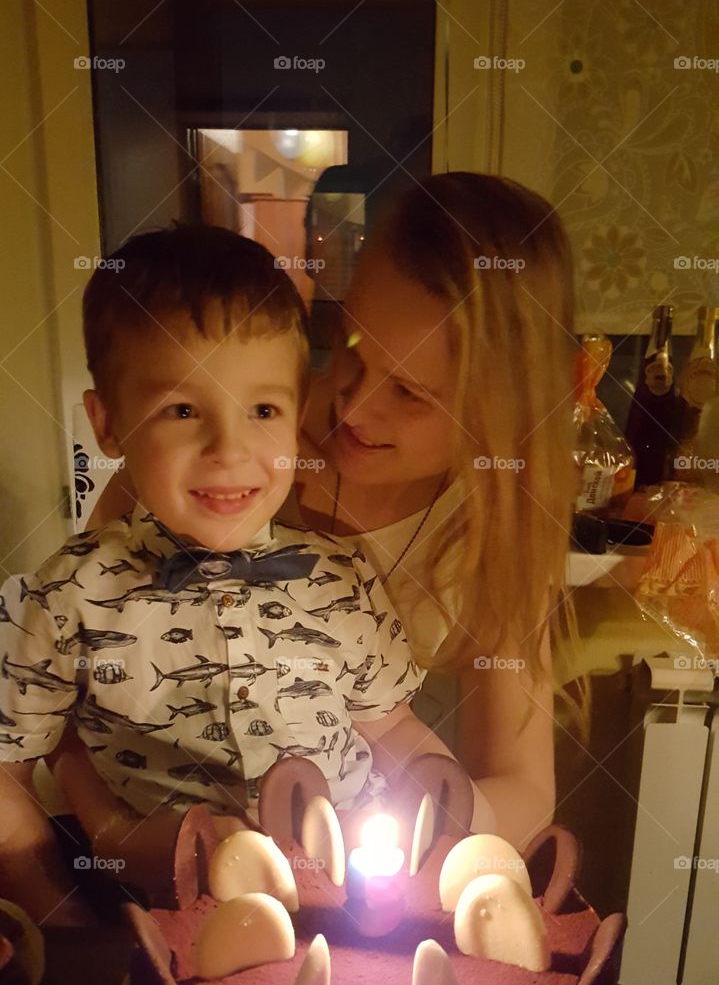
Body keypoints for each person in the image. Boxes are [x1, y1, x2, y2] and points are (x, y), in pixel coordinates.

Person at [47, 171, 585, 905]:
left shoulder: (488, 527)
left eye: (410, 393)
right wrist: (111, 837)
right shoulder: (223, 452)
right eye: (350, 347)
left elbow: (523, 786)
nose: (352, 406)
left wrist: (420, 840)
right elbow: (83, 682)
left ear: (498, 412)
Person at [0, 225, 467, 925]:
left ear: (298, 411)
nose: (229, 448)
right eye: (182, 410)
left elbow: (392, 726)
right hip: (157, 910)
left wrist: (449, 803)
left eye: (263, 410)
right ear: (107, 423)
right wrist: (57, 912)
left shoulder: (343, 578)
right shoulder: (65, 597)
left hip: (352, 909)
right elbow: (8, 769)